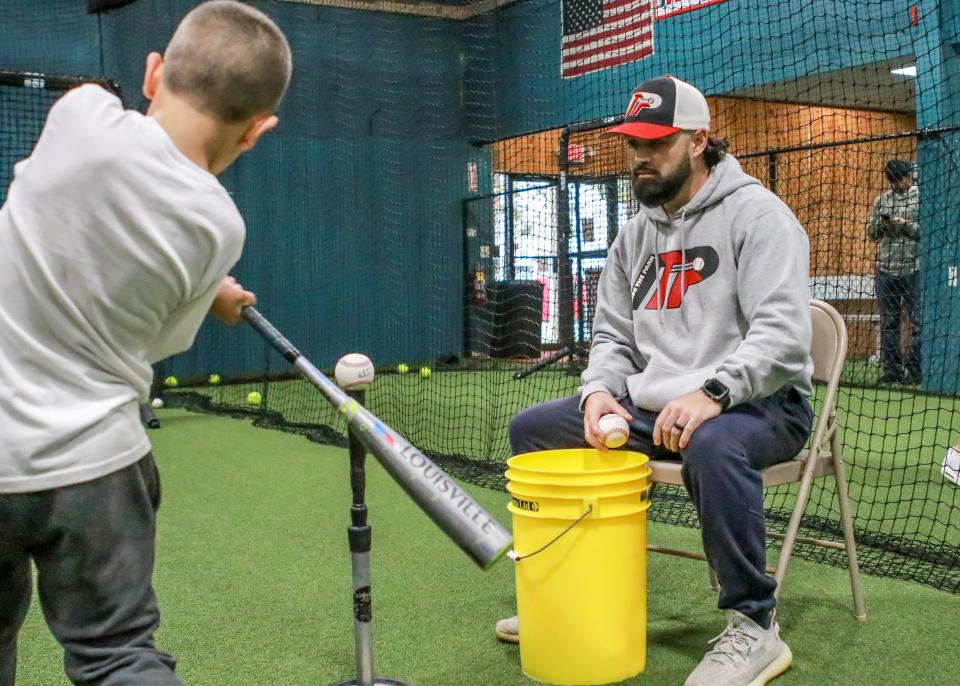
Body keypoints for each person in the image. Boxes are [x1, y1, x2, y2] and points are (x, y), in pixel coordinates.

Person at [0, 2, 291, 684]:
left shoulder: (77, 116)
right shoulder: (220, 228)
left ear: (154, 72)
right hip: (97, 473)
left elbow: (108, 151)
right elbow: (156, 344)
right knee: (118, 658)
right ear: (258, 130)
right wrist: (214, 290)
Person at [494, 76, 814, 686]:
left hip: (761, 404)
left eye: (657, 143)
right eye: (633, 144)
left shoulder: (759, 216)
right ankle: (580, 596)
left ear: (698, 141)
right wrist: (596, 394)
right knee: (535, 430)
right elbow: (613, 337)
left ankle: (754, 626)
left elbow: (783, 337)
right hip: (658, 406)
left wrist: (714, 392)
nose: (641, 157)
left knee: (714, 445)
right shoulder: (634, 233)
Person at [866, 158, 921, 385]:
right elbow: (871, 233)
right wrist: (883, 225)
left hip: (913, 268)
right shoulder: (882, 201)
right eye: (896, 180)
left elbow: (927, 231)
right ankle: (892, 371)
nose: (901, 183)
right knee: (889, 322)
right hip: (885, 270)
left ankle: (915, 371)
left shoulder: (920, 197)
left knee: (919, 323)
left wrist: (905, 224)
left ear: (909, 175)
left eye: (904, 178)